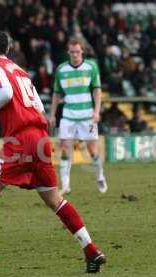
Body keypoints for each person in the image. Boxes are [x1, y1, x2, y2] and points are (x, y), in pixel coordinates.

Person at [0, 29, 106, 277]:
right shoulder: (18, 69)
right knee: (54, 200)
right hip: (41, 137)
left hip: (21, 139)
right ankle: (91, 250)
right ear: (9, 48)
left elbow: (5, 94)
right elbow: (37, 104)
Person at [49, 38, 107, 195]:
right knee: (65, 148)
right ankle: (65, 185)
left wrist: (96, 111)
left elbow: (97, 90)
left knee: (92, 150)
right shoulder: (61, 69)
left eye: (77, 51)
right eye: (72, 52)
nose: (75, 54)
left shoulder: (91, 67)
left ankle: (100, 176)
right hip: (68, 115)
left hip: (87, 115)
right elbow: (56, 93)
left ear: (82, 51)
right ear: (68, 52)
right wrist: (52, 114)